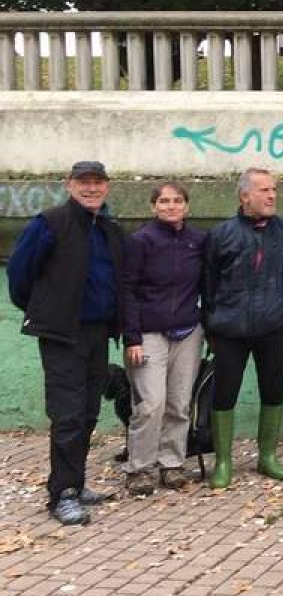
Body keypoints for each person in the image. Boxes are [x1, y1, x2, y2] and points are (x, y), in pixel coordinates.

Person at [7, 161, 124, 525]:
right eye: (83, 182)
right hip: (62, 334)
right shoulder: (51, 222)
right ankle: (62, 494)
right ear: (69, 185)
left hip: (98, 332)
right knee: (68, 415)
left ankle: (77, 482)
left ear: (106, 186)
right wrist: (46, 309)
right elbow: (19, 273)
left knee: (88, 412)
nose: (91, 189)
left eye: (98, 182)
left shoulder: (109, 228)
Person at [202, 168, 283, 489]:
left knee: (273, 390)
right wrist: (211, 322)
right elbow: (206, 283)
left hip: (273, 327)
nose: (272, 196)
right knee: (224, 393)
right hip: (229, 329)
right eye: (264, 190)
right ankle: (224, 462)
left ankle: (267, 456)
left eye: (274, 190)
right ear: (245, 196)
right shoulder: (221, 235)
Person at [120, 182, 207, 495]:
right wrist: (132, 338)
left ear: (187, 205)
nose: (171, 206)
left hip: (187, 333)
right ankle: (140, 468)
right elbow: (126, 290)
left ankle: (171, 463)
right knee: (150, 403)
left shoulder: (199, 240)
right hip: (148, 334)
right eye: (164, 201)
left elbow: (207, 285)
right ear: (153, 206)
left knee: (179, 403)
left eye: (178, 201)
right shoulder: (140, 241)